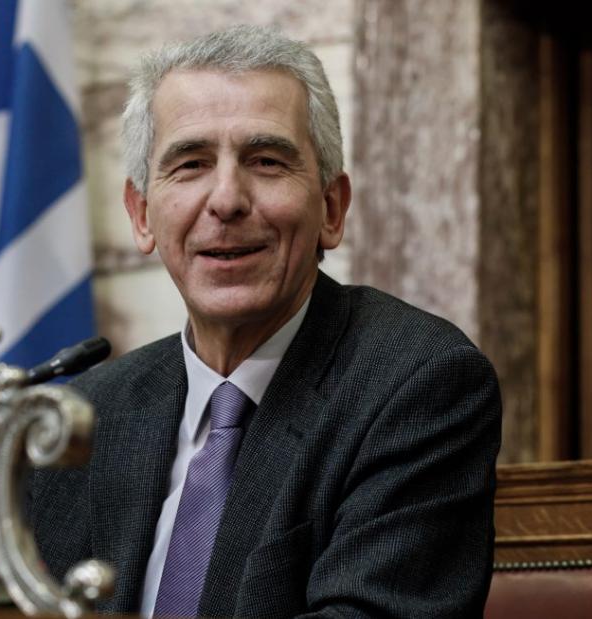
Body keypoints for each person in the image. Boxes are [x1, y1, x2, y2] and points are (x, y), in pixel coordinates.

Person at [31, 25, 501, 618]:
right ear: (142, 214)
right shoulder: (88, 414)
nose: (227, 200)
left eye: (267, 162)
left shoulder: (417, 384)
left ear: (332, 209)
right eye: (191, 164)